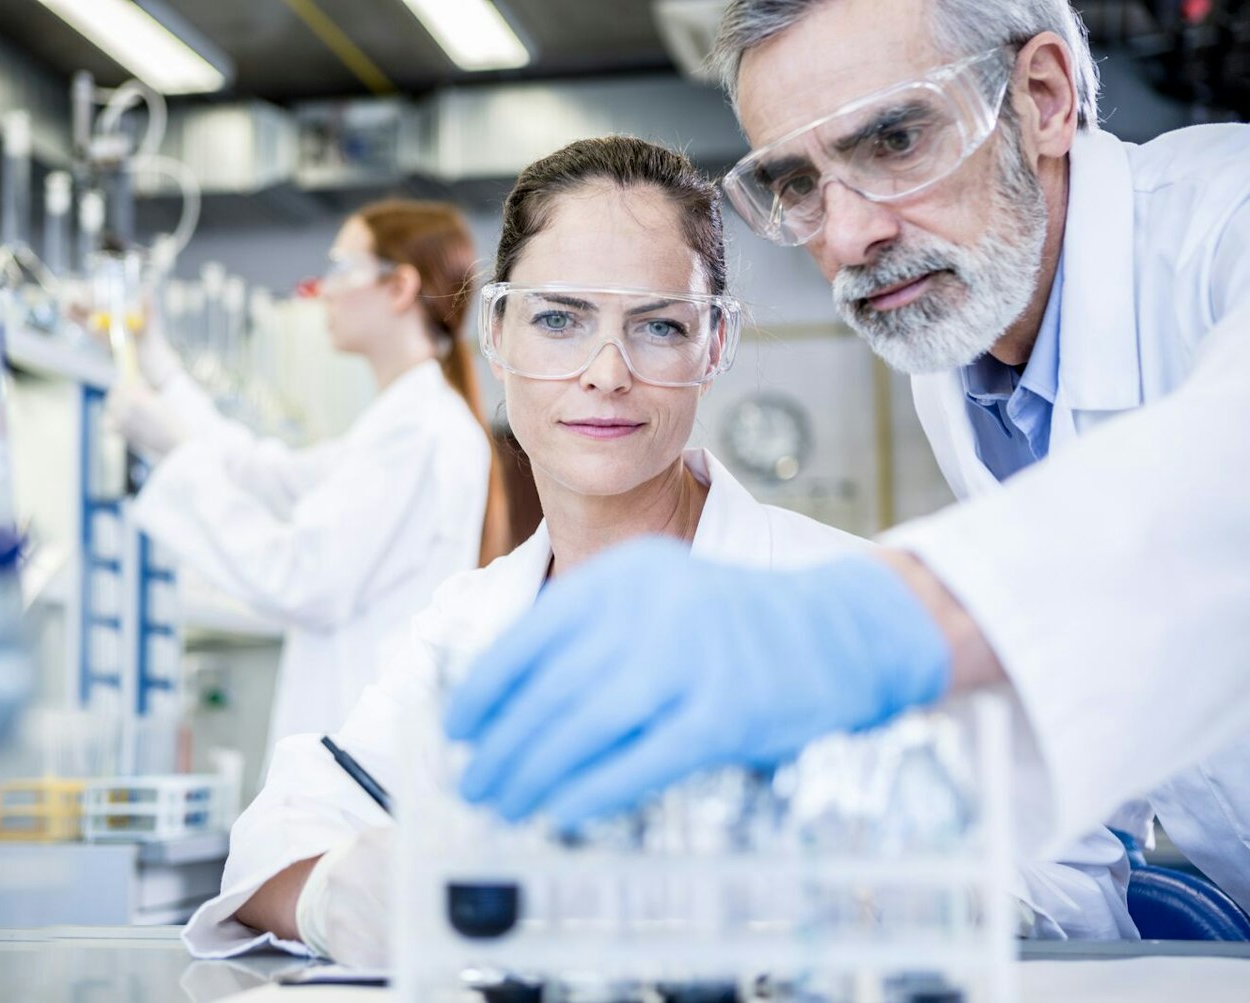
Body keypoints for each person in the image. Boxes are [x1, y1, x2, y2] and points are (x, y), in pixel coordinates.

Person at [179, 136, 1137, 964]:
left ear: (714, 346)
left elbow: (1077, 892)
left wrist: (853, 898)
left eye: (659, 326)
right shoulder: (469, 622)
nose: (605, 373)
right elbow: (275, 834)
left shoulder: (839, 595)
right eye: (558, 318)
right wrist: (340, 894)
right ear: (498, 330)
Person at [444, 0, 1250, 892]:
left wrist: (869, 622)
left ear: (1046, 97)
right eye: (796, 182)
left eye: (897, 141)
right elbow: (1107, 683)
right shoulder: (960, 361)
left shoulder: (1224, 221)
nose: (848, 236)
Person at [108, 199, 509, 745]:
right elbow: (268, 475)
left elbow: (301, 578)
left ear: (399, 288)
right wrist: (160, 367)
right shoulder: (402, 425)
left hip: (362, 762)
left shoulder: (419, 432)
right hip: (360, 754)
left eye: (343, 268)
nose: (325, 288)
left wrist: (178, 459)